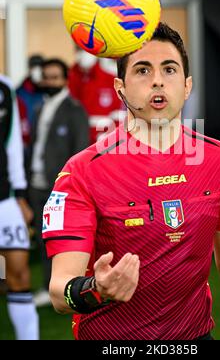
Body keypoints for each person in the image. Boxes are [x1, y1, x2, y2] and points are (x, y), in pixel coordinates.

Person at [43, 23, 220, 340]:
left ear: (187, 85)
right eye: (142, 70)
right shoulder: (82, 171)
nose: (157, 81)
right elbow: (59, 291)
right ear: (120, 87)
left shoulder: (218, 159)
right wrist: (96, 289)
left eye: (169, 69)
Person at [29, 59, 89, 307]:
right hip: (36, 183)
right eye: (46, 76)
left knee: (61, 242)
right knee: (44, 240)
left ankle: (64, 288)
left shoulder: (74, 110)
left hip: (61, 188)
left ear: (65, 80)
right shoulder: (40, 108)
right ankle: (48, 286)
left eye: (54, 77)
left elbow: (81, 151)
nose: (49, 82)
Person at [0, 74, 39, 340]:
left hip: (4, 199)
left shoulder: (4, 87)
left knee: (17, 275)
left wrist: (21, 195)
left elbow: (12, 143)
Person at [69, 48, 126, 143]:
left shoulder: (110, 80)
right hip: (73, 142)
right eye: (80, 49)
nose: (85, 53)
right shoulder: (69, 79)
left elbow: (118, 115)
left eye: (88, 49)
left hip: (101, 142)